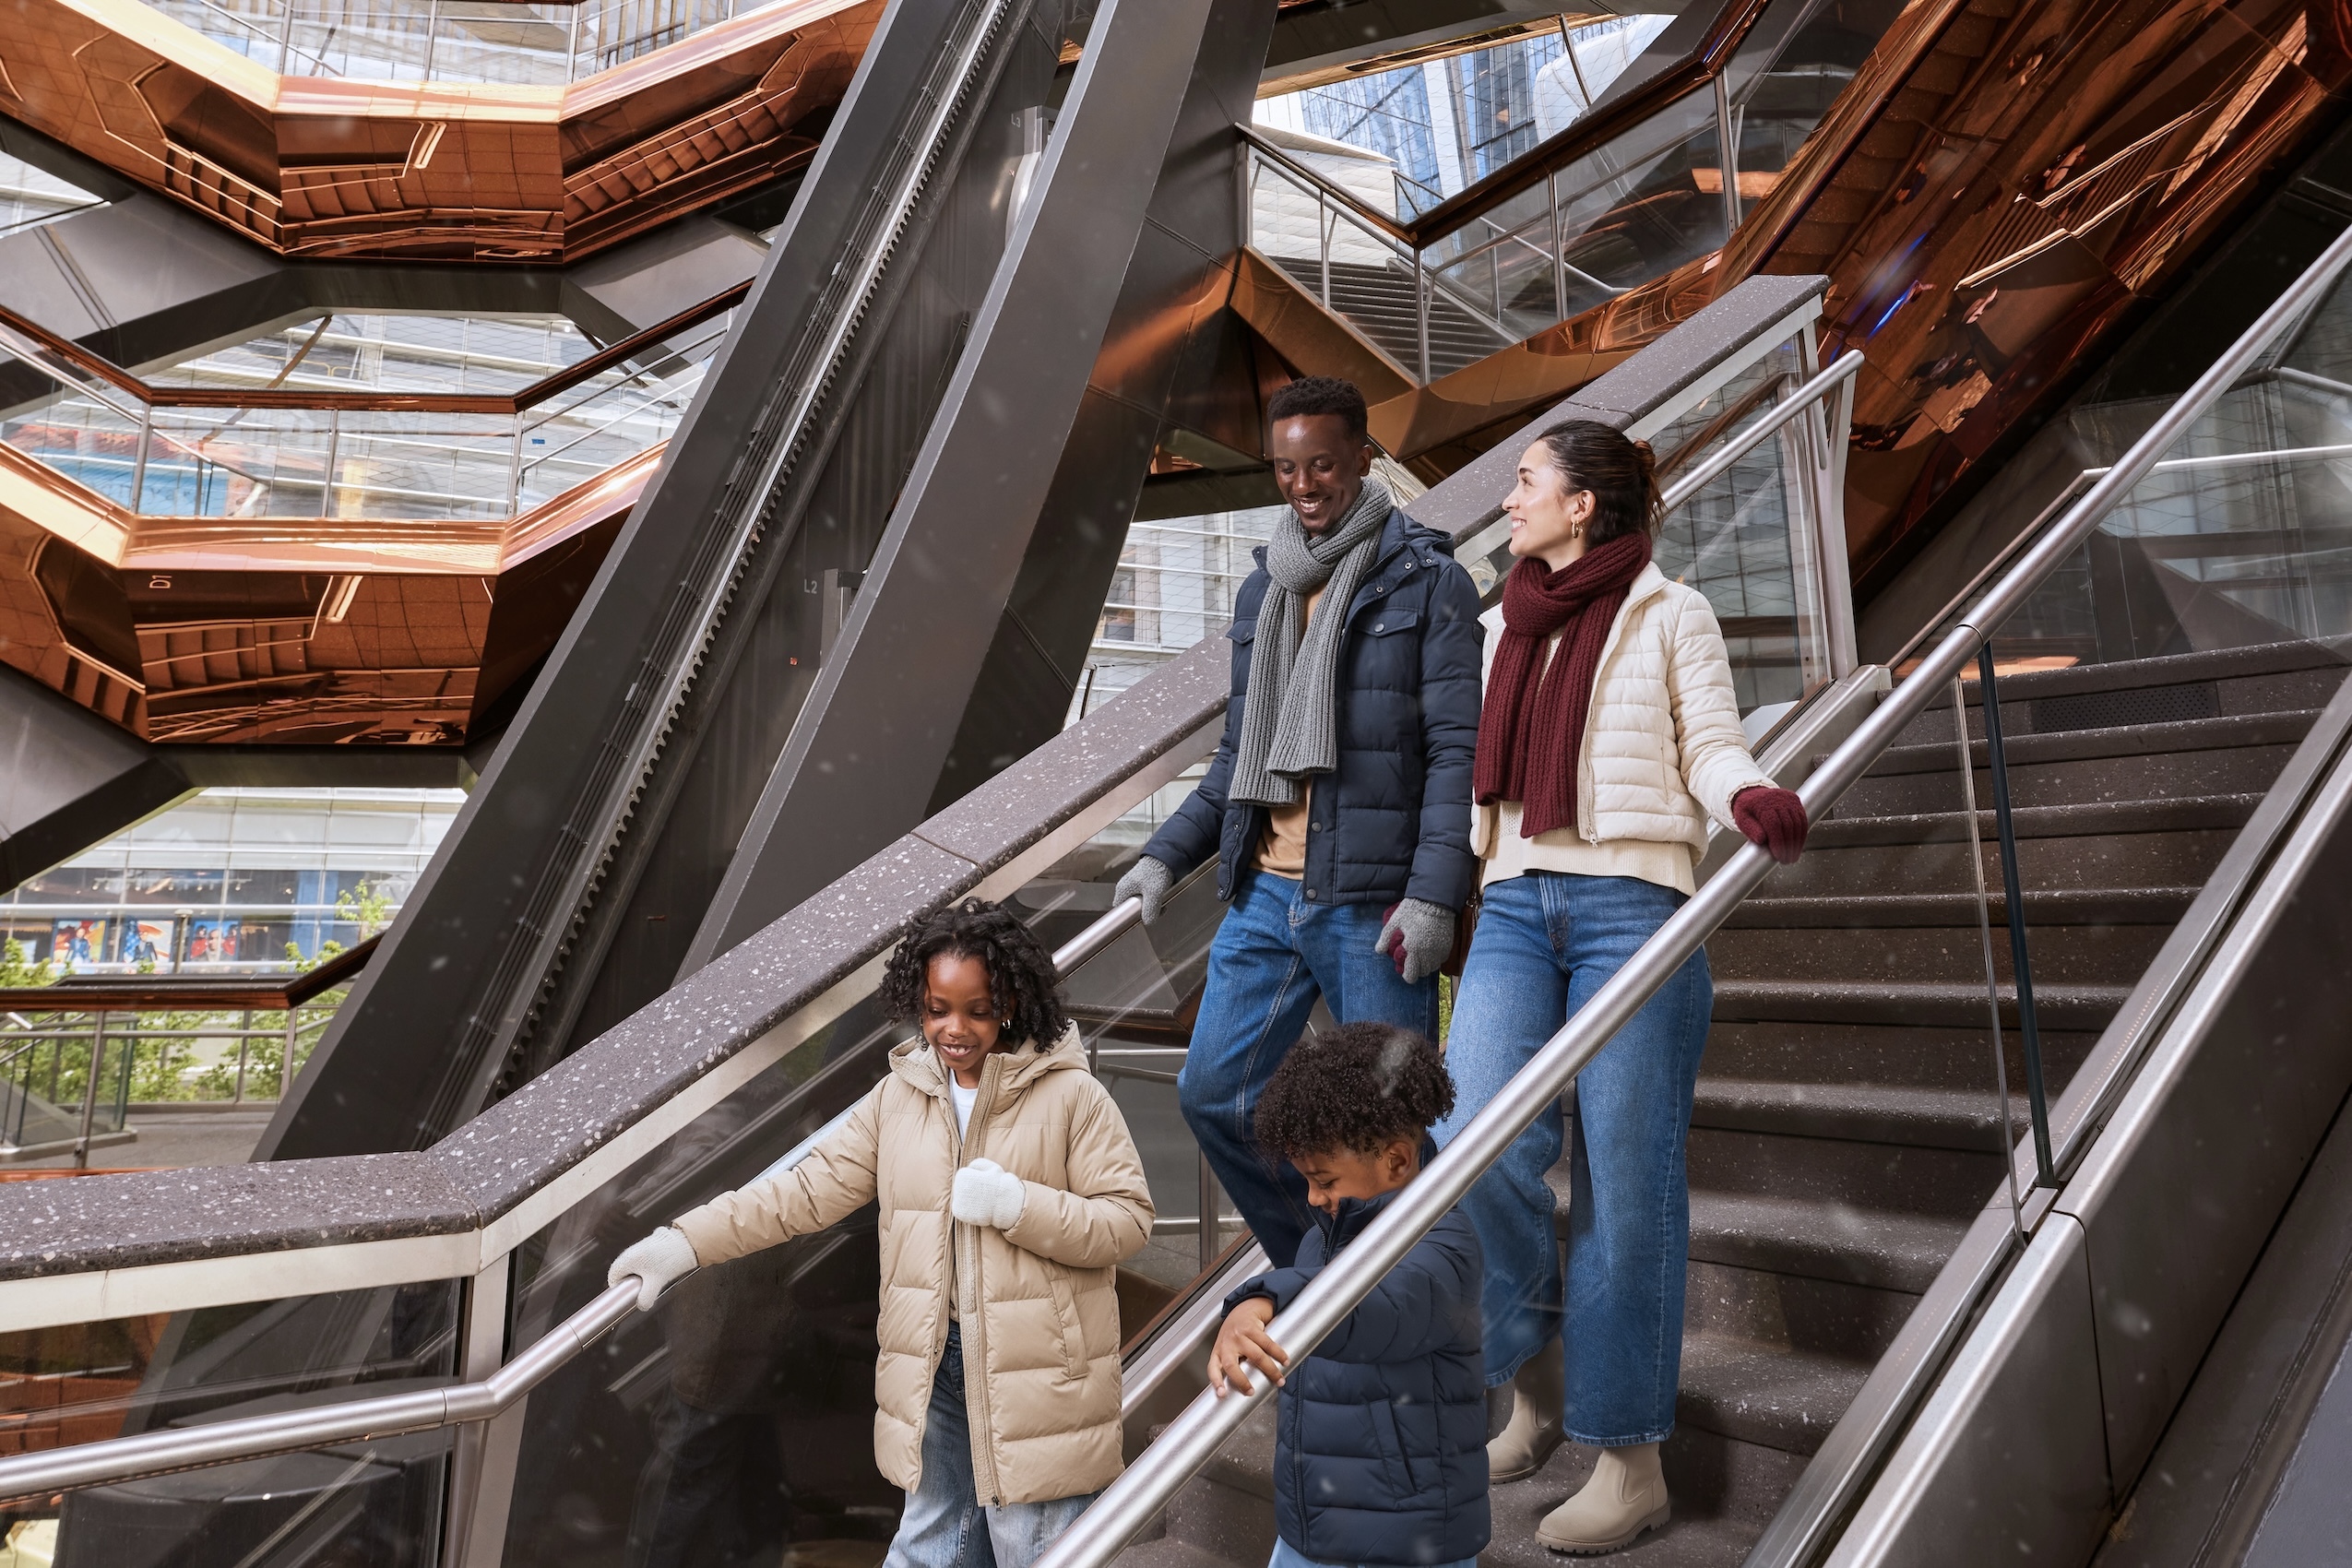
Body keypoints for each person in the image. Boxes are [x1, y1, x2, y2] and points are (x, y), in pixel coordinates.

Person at [1436, 421, 1809, 1555]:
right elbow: (1472, 779)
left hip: (1630, 909)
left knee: (1624, 1183)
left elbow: (1709, 745)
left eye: (1527, 481)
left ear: (1585, 503)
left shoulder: (1670, 612)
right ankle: (1533, 1378)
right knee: (1473, 1140)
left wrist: (1748, 797)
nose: (1509, 500)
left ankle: (1626, 1453)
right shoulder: (1504, 622)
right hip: (1510, 903)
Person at [610, 898, 1154, 1568]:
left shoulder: (1071, 1097)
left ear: (1011, 1001)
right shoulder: (901, 1096)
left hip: (1036, 1380)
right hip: (932, 1367)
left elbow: (1127, 1221)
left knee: (1032, 1553)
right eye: (936, 1009)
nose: (953, 1030)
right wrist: (686, 1243)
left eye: (977, 1010)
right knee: (928, 1547)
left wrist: (1018, 1206)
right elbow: (802, 1191)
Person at [1116, 375, 1482, 1268]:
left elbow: (1454, 755)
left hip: (1372, 906)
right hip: (1264, 894)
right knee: (1214, 1095)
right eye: (1285, 467)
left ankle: (1418, 1292)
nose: (1304, 483)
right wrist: (1165, 855)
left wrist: (1433, 896)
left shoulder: (1427, 582)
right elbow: (1242, 753)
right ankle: (1321, 1263)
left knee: (1387, 1126)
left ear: (1363, 456)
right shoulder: (1264, 592)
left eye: (1322, 463)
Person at [1207, 1023, 1487, 1568]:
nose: (1313, 1198)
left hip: (1410, 1539)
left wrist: (1265, 1293)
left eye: (1326, 1181)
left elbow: (1373, 1310)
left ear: (1397, 1162)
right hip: (1313, 1528)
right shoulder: (1318, 1244)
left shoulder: (1445, 1244)